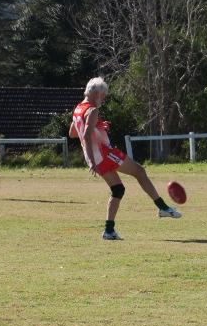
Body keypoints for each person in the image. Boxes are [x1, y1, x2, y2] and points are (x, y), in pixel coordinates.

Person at [69, 77, 180, 241]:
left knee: (118, 190)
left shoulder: (78, 109)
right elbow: (85, 135)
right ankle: (162, 207)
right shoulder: (92, 110)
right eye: (104, 95)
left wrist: (98, 128)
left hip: (94, 156)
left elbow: (73, 133)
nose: (104, 98)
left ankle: (109, 231)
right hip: (103, 153)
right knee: (140, 171)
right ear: (98, 93)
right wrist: (93, 160)